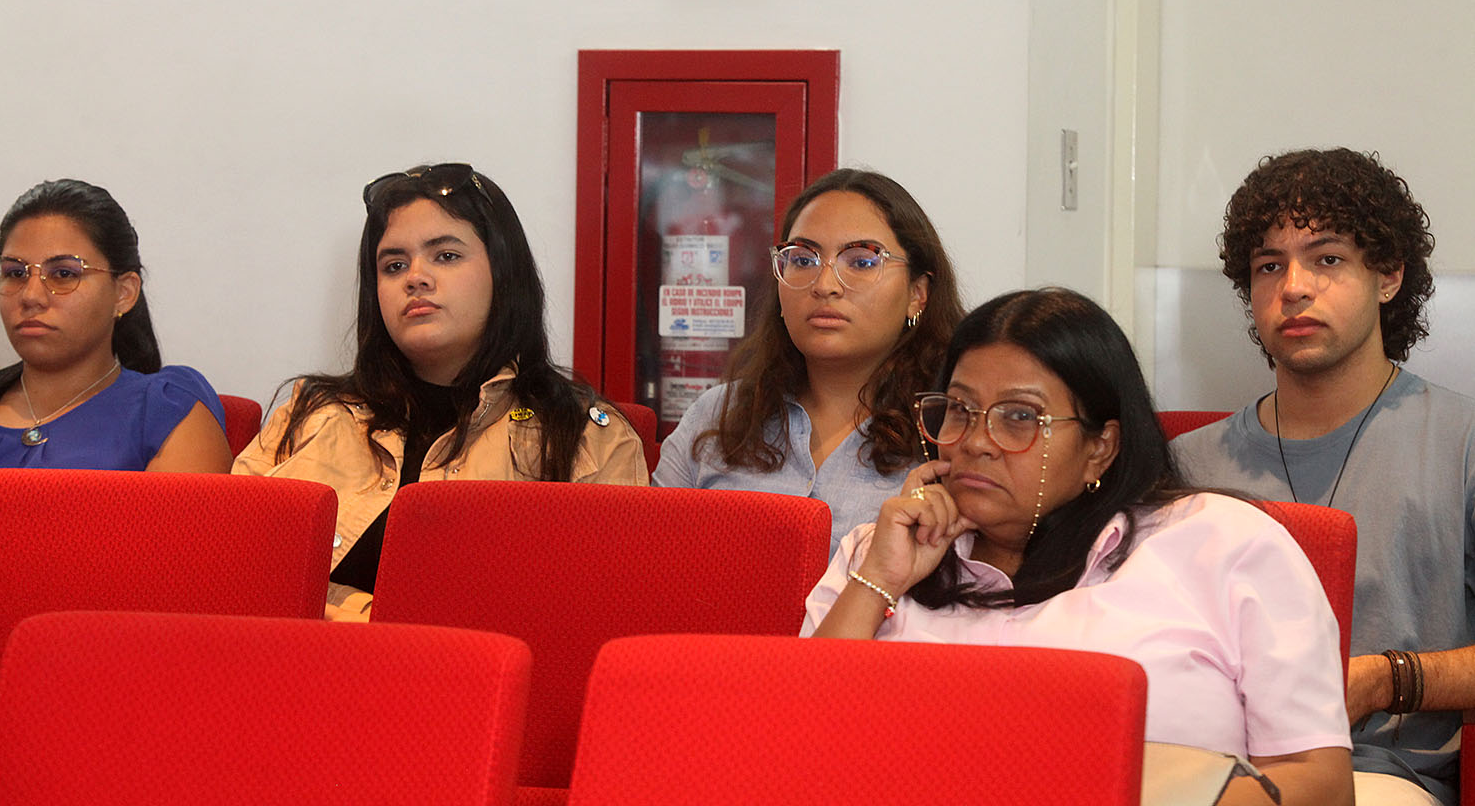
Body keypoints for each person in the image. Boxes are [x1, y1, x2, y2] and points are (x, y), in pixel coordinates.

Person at [806, 288, 1353, 805]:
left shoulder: (1223, 544)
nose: (975, 442)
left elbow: (1320, 782)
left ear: (1099, 448)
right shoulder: (881, 550)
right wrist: (878, 582)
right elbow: (799, 747)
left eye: (1020, 417)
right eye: (959, 409)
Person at [1172, 148, 1475, 806]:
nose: (1294, 287)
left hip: (1377, 776)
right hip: (1207, 768)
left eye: (1327, 259)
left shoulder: (1462, 442)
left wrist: (1388, 680)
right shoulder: (1186, 466)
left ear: (1388, 276)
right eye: (1269, 266)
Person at [233, 164, 648, 621]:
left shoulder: (588, 436)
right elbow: (234, 571)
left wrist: (354, 617)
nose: (416, 278)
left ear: (503, 273)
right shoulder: (309, 413)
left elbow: (597, 617)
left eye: (446, 256)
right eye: (394, 265)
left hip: (491, 667)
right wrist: (371, 618)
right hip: (301, 663)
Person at [653, 169, 963, 551]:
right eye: (802, 260)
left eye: (862, 262)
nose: (824, 285)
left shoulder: (948, 430)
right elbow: (647, 559)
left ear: (918, 293)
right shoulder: (717, 416)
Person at [0, 179, 231, 472]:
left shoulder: (165, 409)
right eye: (15, 273)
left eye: (64, 274)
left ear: (124, 293)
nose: (31, 296)